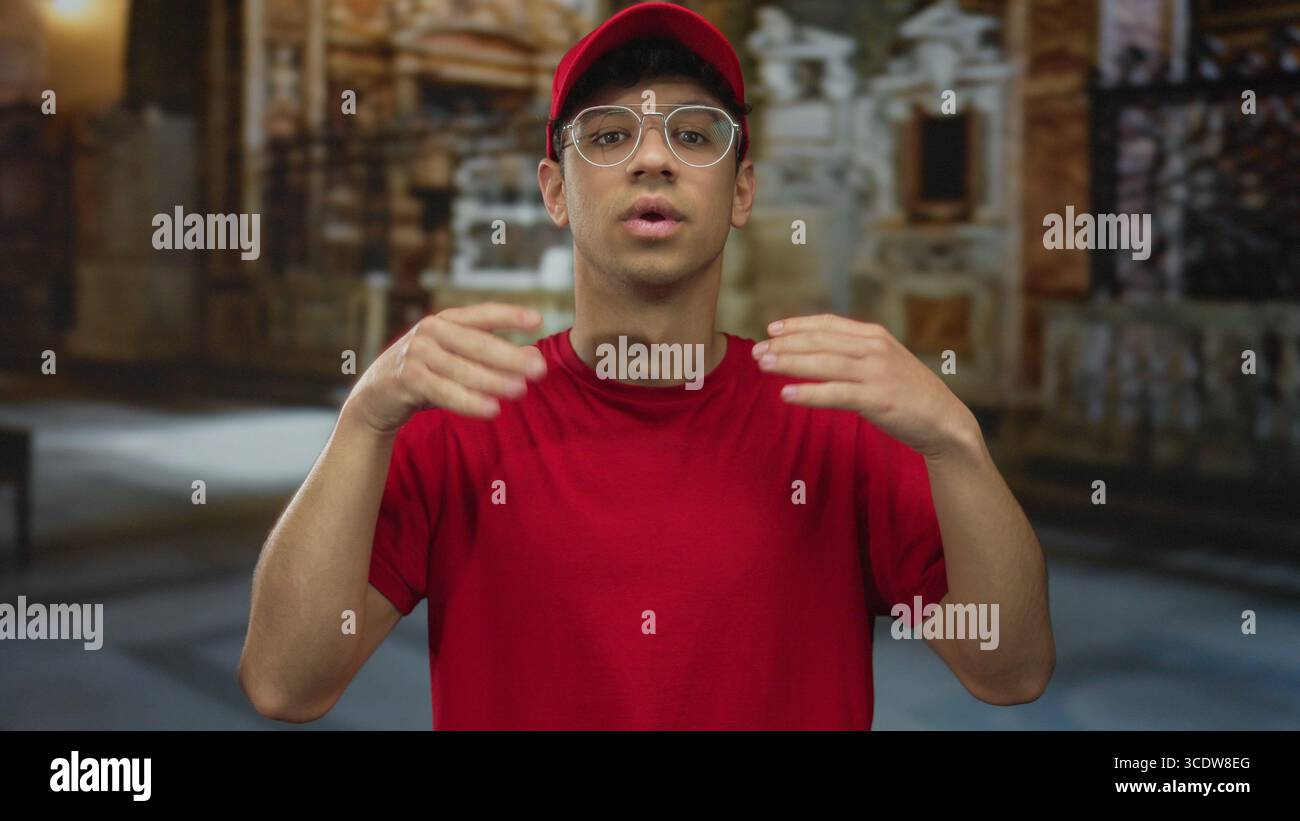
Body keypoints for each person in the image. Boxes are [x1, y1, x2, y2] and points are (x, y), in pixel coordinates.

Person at [237, 1, 1054, 730]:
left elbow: (1010, 670)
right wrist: (363, 417)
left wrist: (956, 439)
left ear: (741, 192)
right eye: (609, 135)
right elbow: (285, 683)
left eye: (694, 135)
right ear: (555, 191)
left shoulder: (834, 420)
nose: (653, 159)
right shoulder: (463, 418)